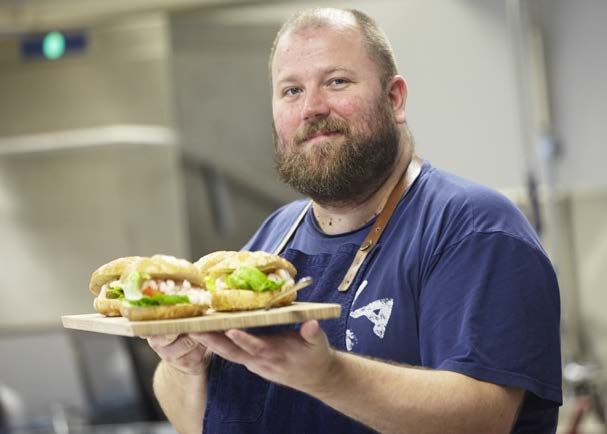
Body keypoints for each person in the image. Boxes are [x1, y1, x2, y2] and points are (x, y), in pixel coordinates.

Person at [148, 7, 562, 434]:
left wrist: (328, 376)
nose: (311, 107)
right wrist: (185, 364)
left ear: (395, 98)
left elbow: (483, 419)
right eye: (291, 90)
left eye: (337, 81)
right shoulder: (270, 242)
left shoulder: (472, 229)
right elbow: (200, 423)